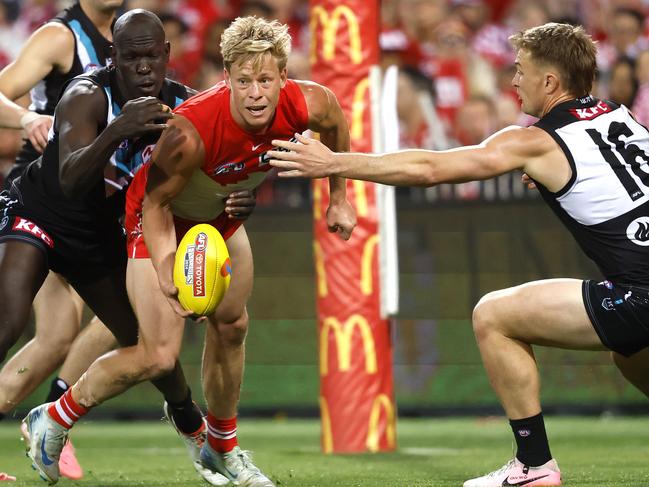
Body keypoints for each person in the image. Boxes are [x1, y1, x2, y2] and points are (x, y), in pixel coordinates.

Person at [268, 22, 649, 487]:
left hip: (640, 294)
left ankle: (533, 466)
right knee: (630, 354)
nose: (512, 80)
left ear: (550, 82)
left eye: (520, 70)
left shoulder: (534, 141)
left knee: (494, 316)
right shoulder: (619, 115)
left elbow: (431, 168)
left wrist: (333, 162)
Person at [25, 15, 357, 487]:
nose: (256, 93)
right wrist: (164, 268)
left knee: (233, 326)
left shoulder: (311, 101)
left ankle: (222, 449)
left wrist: (338, 198)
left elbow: (336, 126)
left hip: (217, 215)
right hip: (158, 218)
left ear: (284, 77)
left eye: (266, 80)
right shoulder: (190, 131)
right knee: (157, 357)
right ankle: (55, 417)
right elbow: (155, 202)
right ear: (227, 79)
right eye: (244, 81)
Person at [1, 9, 254, 486]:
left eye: (151, 57)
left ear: (167, 56)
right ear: (112, 57)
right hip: (39, 213)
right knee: (8, 322)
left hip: (100, 236)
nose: (142, 68)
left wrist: (242, 196)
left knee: (148, 347)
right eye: (131, 57)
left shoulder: (185, 106)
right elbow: (72, 181)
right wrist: (118, 129)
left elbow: (224, 165)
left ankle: (192, 427)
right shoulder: (85, 94)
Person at [0, 2, 121, 478]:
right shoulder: (59, 37)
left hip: (95, 201)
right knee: (50, 329)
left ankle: (50, 414)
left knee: (60, 336)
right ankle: (52, 415)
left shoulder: (131, 34)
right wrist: (27, 119)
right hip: (42, 196)